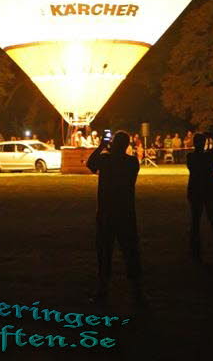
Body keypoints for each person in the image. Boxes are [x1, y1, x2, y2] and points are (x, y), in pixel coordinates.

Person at [87, 130, 143, 304]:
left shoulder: (105, 160)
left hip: (106, 213)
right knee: (130, 252)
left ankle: (103, 289)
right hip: (126, 213)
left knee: (104, 252)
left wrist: (102, 147)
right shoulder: (132, 162)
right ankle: (137, 291)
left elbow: (90, 164)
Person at [186, 132, 213, 262]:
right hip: (209, 190)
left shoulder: (190, 157)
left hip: (195, 190)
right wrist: (212, 135)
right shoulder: (210, 156)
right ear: (204, 143)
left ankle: (195, 249)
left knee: (195, 222)